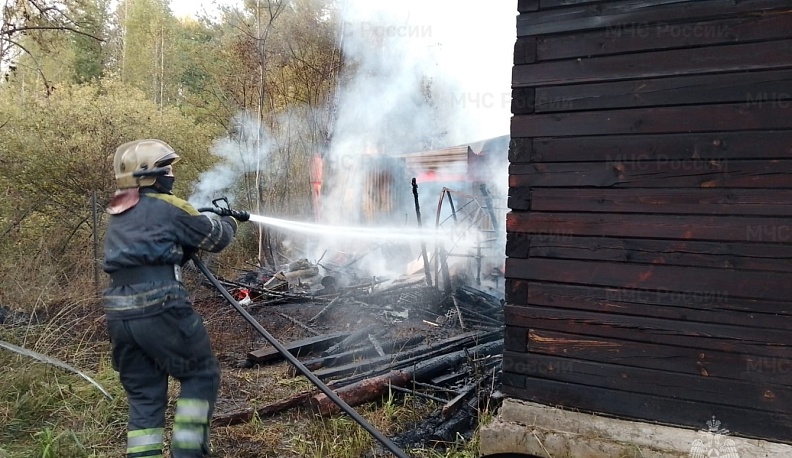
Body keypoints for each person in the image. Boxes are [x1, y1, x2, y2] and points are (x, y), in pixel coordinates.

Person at [102, 139, 247, 458]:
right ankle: (188, 451)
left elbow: (149, 254)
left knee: (144, 395)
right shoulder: (169, 207)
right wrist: (230, 220)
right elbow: (217, 237)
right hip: (160, 306)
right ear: (150, 174)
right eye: (166, 168)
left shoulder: (119, 213)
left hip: (118, 314)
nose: (171, 174)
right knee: (200, 374)